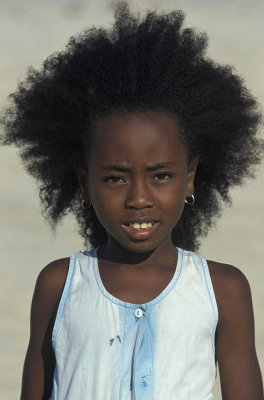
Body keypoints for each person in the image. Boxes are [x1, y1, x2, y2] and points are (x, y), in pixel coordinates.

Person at [1, 3, 263, 399]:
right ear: (84, 182)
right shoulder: (60, 284)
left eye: (161, 175)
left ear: (189, 177)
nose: (138, 198)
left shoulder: (223, 290)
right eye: (114, 178)